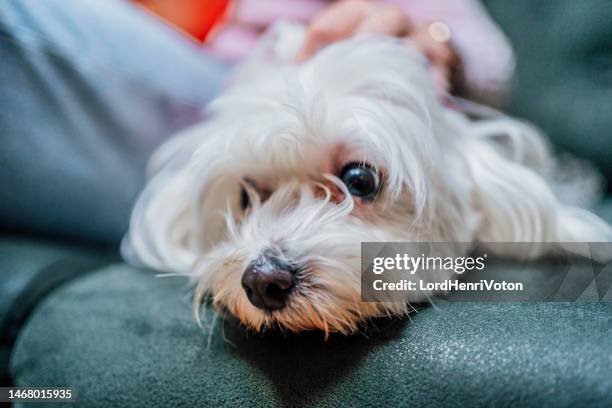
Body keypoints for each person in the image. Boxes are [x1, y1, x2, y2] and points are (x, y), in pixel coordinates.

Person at [0, 0, 512, 244]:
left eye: (355, 182)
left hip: (233, 84)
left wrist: (438, 42)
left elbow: (489, 54)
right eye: (252, 199)